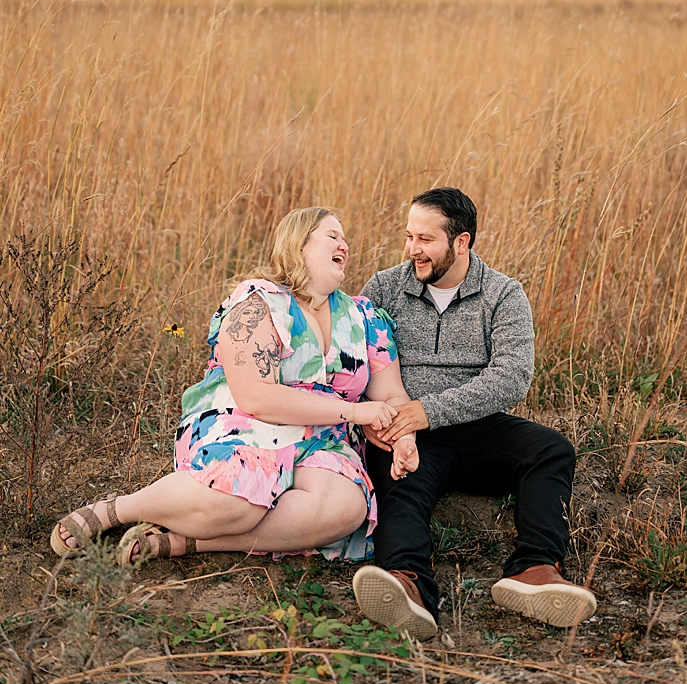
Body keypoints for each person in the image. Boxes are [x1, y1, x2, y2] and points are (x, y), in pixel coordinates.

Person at [50, 207, 415, 566]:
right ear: (297, 245)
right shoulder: (259, 302)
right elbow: (256, 397)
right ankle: (118, 510)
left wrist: (404, 437)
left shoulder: (365, 318)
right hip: (249, 426)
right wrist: (352, 411)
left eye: (346, 239)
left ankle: (188, 542)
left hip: (323, 441)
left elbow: (392, 395)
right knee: (240, 499)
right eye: (333, 236)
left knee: (344, 507)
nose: (345, 245)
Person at [351, 187, 596, 639]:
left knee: (551, 450)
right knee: (399, 481)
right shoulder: (384, 287)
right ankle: (408, 585)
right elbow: (356, 360)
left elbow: (511, 378)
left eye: (425, 240)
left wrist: (430, 410)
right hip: (407, 432)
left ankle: (535, 569)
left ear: (461, 242)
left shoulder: (504, 294)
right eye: (409, 237)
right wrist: (381, 421)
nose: (412, 251)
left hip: (479, 429)